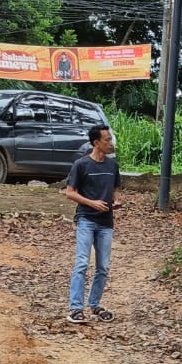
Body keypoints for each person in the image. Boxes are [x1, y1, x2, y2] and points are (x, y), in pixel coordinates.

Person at [64, 124, 121, 323]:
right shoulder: (81, 165)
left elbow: (115, 189)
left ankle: (95, 304)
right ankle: (75, 308)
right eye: (107, 140)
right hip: (86, 220)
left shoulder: (112, 166)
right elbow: (69, 192)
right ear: (96, 143)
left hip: (106, 222)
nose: (110, 143)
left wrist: (115, 201)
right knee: (81, 264)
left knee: (103, 267)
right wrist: (92, 203)